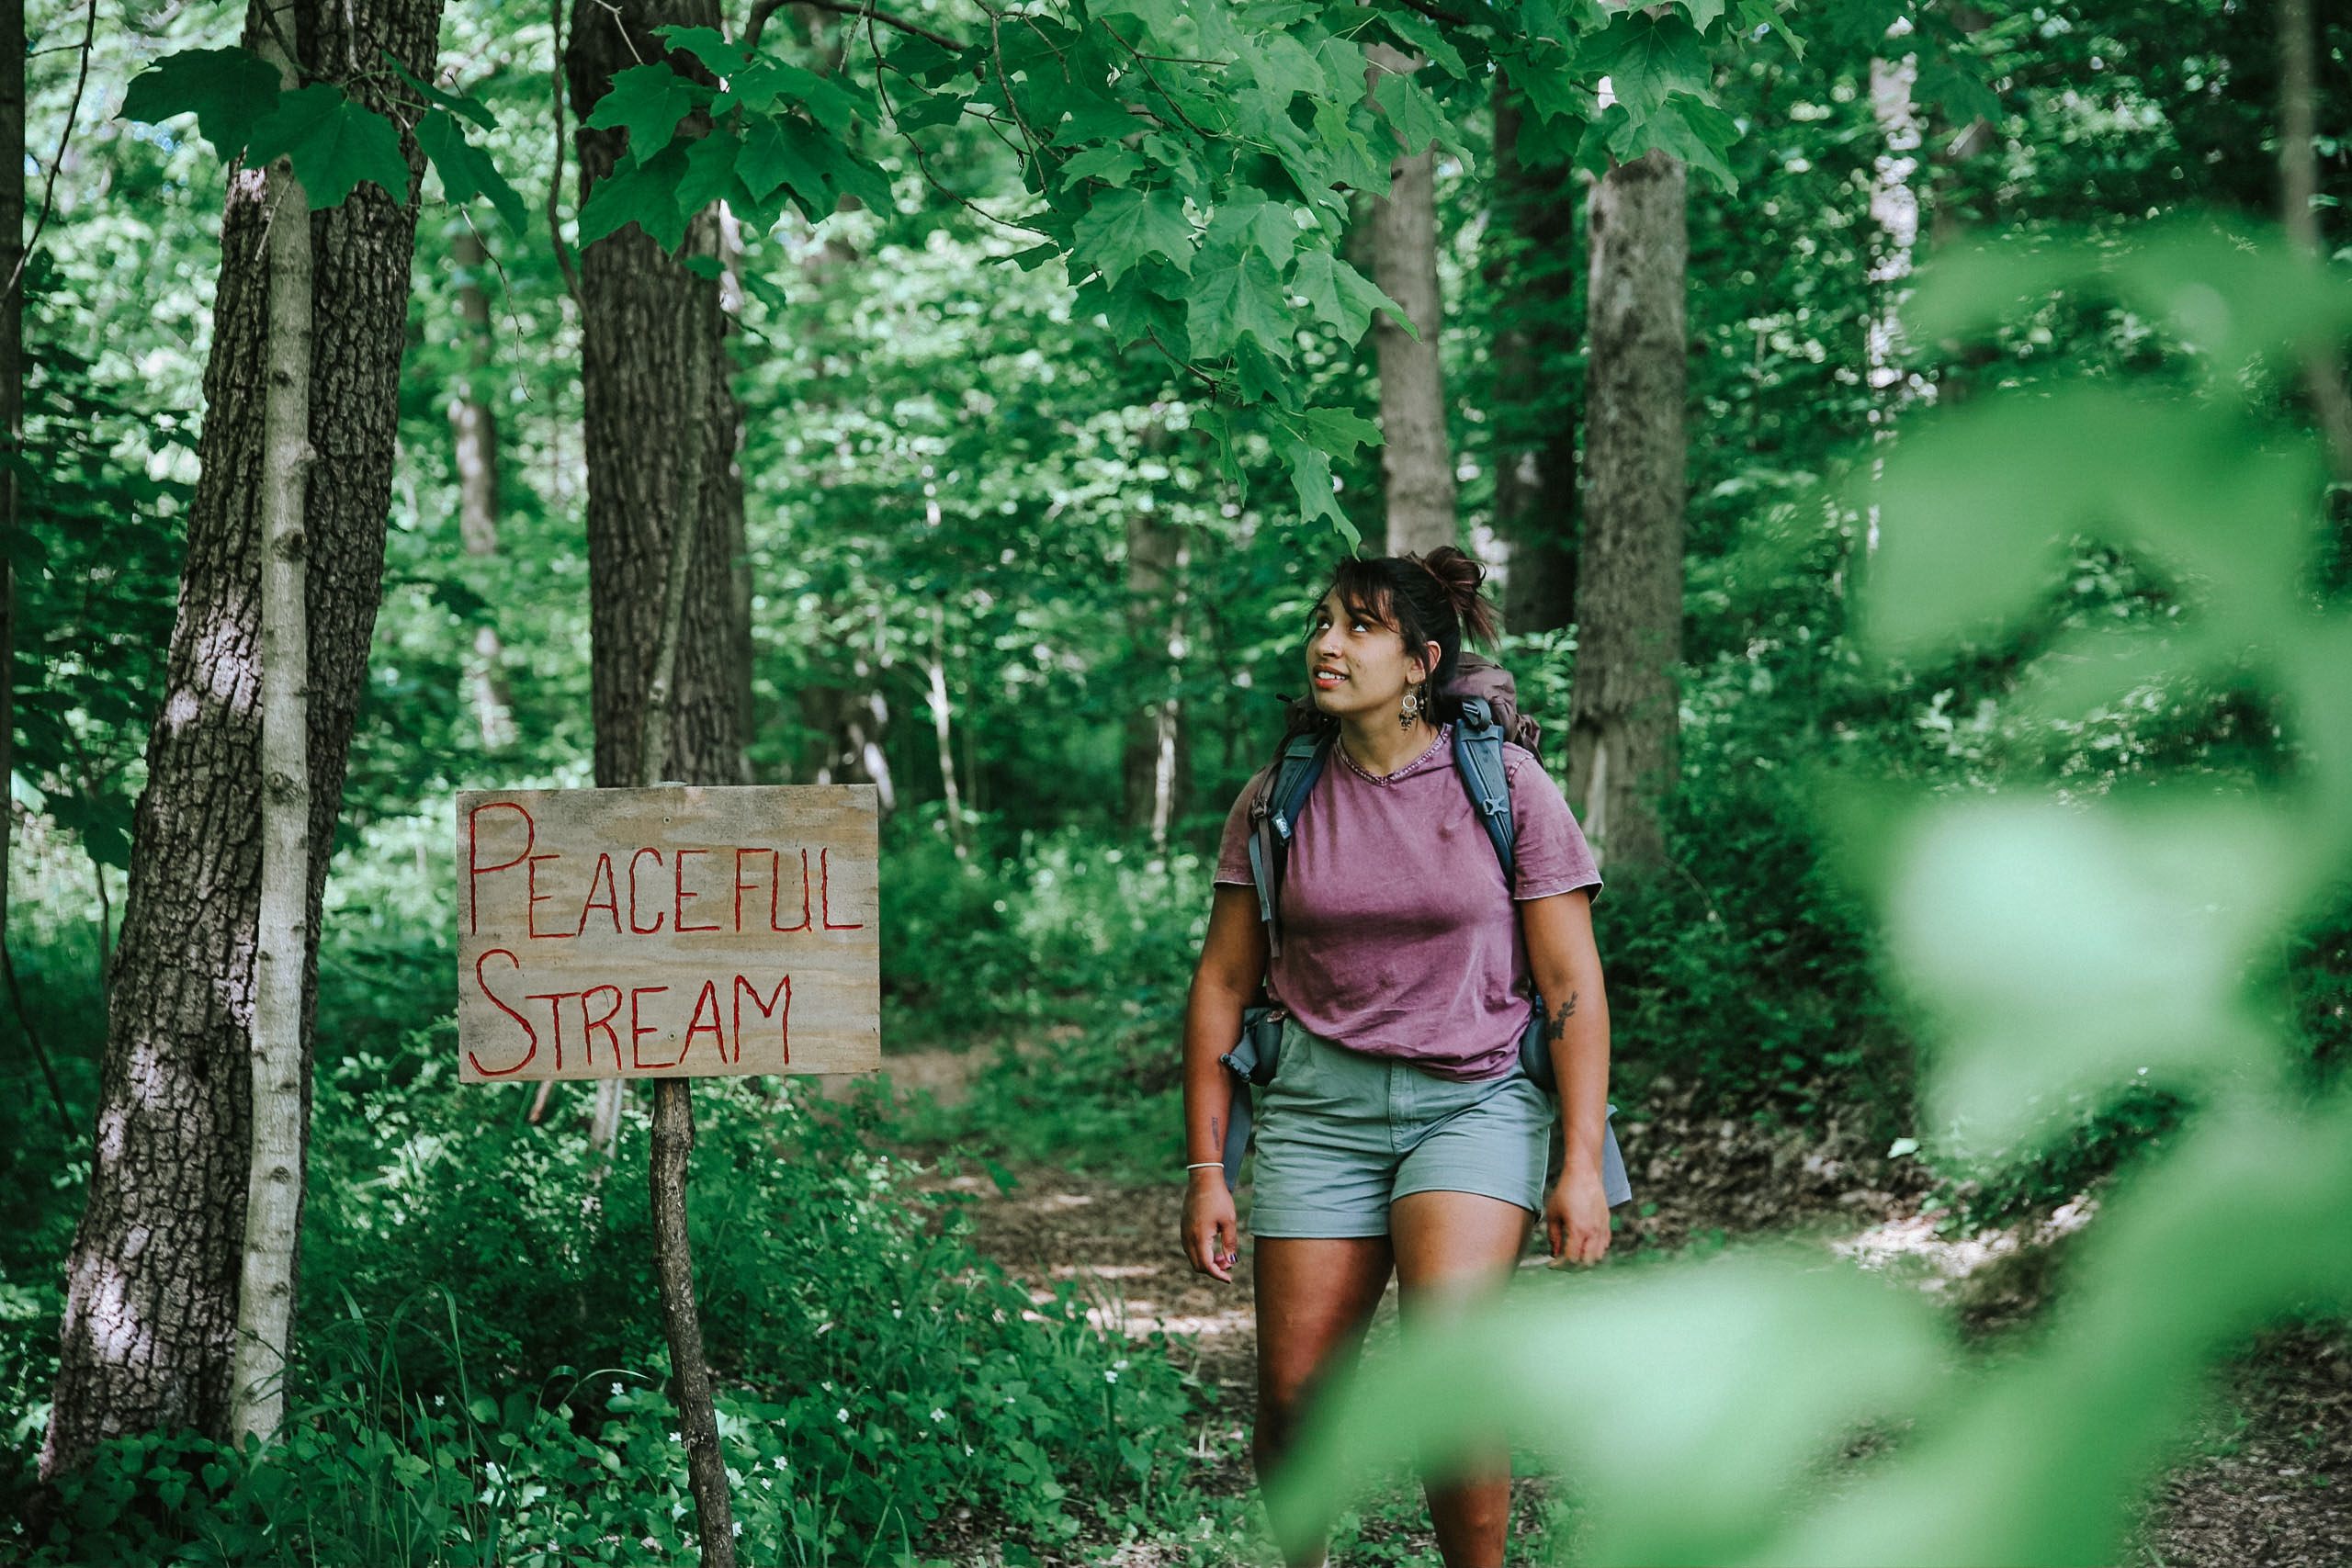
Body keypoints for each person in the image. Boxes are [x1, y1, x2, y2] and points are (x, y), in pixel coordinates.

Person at [1177, 546, 1613, 1568]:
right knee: (1291, 1402)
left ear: (1421, 661)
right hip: (1316, 1110)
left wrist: (1581, 1163)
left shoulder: (1504, 785)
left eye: (1358, 627)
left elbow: (1572, 988)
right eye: (1322, 620)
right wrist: (1207, 1169)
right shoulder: (1276, 796)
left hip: (1473, 1100)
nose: (1325, 643)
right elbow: (1222, 984)